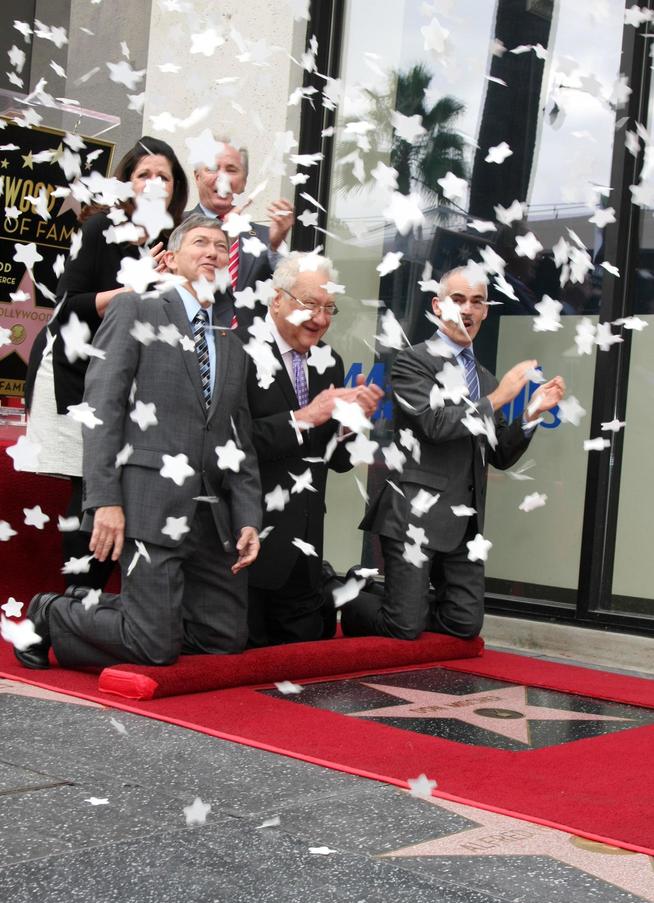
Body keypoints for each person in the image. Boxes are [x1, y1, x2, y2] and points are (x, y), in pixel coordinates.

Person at [14, 215, 261, 671]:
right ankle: (50, 611)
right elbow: (101, 408)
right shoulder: (136, 309)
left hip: (212, 518)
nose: (211, 251)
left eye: (219, 245)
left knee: (224, 641)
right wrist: (103, 498)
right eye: (200, 242)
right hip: (148, 505)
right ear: (172, 255)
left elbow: (238, 436)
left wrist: (248, 516)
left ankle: (143, 622)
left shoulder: (230, 337)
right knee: (156, 648)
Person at [341, 266, 565, 641]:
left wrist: (530, 414)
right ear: (437, 306)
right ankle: (348, 596)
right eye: (457, 300)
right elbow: (433, 424)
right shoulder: (413, 361)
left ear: (486, 311)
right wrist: (500, 398)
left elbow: (500, 456)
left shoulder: (487, 379)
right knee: (403, 627)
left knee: (464, 625)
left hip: (463, 523)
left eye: (477, 302)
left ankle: (400, 601)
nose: (467, 310)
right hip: (412, 514)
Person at [24, 136, 189, 591]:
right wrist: (136, 289)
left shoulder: (170, 242)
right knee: (92, 492)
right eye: (144, 175)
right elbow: (67, 306)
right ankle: (68, 611)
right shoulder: (99, 229)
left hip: (127, 384)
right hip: (74, 373)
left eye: (165, 177)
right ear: (126, 184)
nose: (155, 184)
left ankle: (87, 612)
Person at [245, 253, 383, 647]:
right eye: (309, 305)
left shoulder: (329, 361)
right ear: (276, 299)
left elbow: (337, 461)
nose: (320, 319)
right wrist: (304, 416)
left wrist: (350, 423)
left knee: (301, 674)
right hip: (250, 541)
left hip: (306, 544)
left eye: (328, 309)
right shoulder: (239, 350)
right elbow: (233, 443)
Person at [186, 137, 294, 334]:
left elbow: (290, 290)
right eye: (212, 168)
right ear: (197, 176)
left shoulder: (265, 237)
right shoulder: (176, 229)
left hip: (252, 353)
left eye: (231, 170)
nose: (222, 178)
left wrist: (276, 245)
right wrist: (223, 237)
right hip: (197, 346)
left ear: (243, 182)